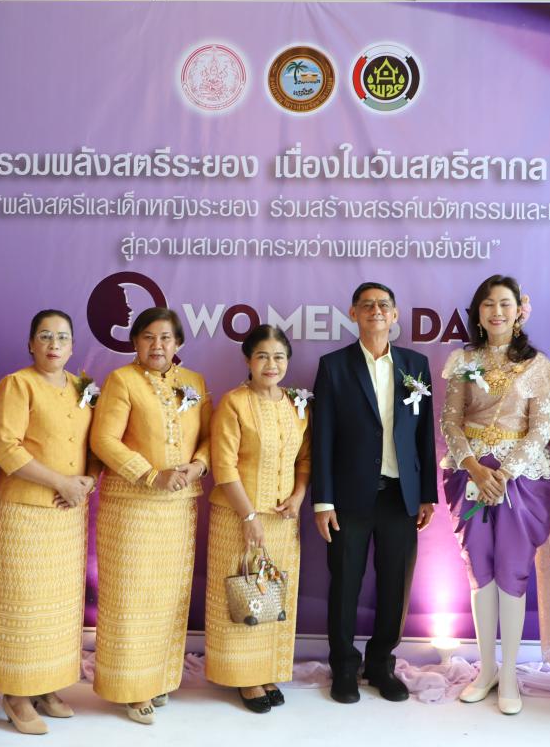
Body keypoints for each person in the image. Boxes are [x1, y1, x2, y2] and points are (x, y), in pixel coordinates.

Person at [439, 276, 550, 714]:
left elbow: (541, 428)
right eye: (488, 304)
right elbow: (451, 421)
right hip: (470, 473)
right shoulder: (463, 360)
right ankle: (486, 669)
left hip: (523, 480)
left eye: (505, 304)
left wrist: (506, 473)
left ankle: (509, 672)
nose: (497, 311)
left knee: (512, 569)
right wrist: (476, 467)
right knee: (479, 569)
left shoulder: (537, 365)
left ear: (518, 313)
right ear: (477, 313)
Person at [311, 282, 437, 704]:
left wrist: (427, 494)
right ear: (353, 313)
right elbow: (323, 437)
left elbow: (424, 434)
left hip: (401, 496)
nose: (376, 311)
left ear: (395, 314)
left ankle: (381, 664)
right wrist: (323, 500)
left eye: (384, 305)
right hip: (349, 497)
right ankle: (344, 667)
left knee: (395, 586)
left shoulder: (415, 365)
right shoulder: (334, 366)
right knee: (345, 584)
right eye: (367, 305)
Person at [90, 307, 211, 724]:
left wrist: (199, 466)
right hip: (132, 507)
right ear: (135, 342)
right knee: (132, 596)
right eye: (148, 337)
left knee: (167, 596)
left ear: (178, 343)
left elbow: (209, 437)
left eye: (165, 338)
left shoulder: (194, 382)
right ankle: (131, 687)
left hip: (179, 507)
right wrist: (149, 474)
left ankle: (158, 677)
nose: (157, 345)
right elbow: (104, 439)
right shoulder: (122, 380)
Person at [0, 309, 98, 736]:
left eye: (62, 337)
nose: (54, 344)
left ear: (73, 346)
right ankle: (17, 693)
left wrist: (87, 481)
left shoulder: (82, 386)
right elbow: (5, 447)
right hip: (24, 511)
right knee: (25, 605)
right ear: (31, 343)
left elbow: (94, 442)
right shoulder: (17, 384)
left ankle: (47, 684)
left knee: (59, 605)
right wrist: (61, 482)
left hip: (68, 513)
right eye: (45, 336)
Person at [204, 325, 311, 713]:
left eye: (279, 357)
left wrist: (298, 497)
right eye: (262, 356)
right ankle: (243, 677)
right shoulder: (234, 403)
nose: (271, 364)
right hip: (238, 517)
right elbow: (223, 465)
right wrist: (248, 514)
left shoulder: (296, 404)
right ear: (248, 360)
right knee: (241, 593)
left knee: (273, 594)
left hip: (283, 520)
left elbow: (305, 459)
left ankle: (266, 670)